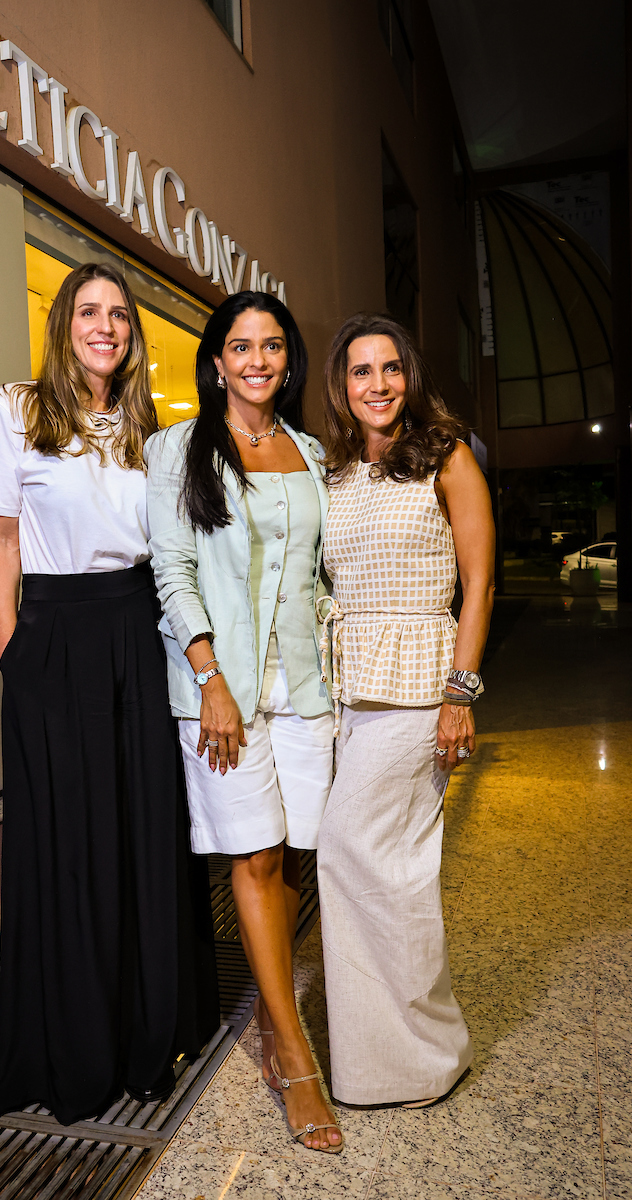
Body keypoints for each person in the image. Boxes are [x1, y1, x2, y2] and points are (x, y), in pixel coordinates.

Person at [0, 261, 218, 1126]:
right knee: (73, 842)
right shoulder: (14, 411)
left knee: (142, 830)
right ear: (62, 322)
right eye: (89, 310)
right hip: (57, 637)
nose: (105, 325)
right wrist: (17, 653)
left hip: (136, 632)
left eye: (119, 314)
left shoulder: (147, 428)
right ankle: (77, 1049)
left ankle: (151, 1035)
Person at [145, 291, 343, 1153]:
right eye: (239, 346)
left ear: (287, 360)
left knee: (295, 846)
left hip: (304, 687)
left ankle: (268, 1016)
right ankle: (294, 1053)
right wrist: (212, 678)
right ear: (216, 361)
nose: (257, 359)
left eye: (271, 346)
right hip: (221, 690)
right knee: (254, 854)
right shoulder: (177, 450)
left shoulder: (308, 450)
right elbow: (172, 570)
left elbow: (323, 575)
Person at [317, 312, 494, 1108]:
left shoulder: (446, 456)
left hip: (421, 689)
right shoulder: (336, 468)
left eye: (390, 369)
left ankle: (416, 1052)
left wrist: (461, 696)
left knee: (351, 848)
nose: (378, 385)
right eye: (361, 372)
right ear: (342, 385)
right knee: (389, 870)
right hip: (351, 690)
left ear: (408, 376)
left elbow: (480, 582)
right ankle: (401, 1058)